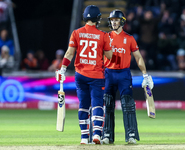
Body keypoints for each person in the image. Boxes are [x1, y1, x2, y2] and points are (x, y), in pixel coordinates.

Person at [55, 5, 112, 144]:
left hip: (80, 75)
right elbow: (110, 56)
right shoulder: (103, 35)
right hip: (96, 75)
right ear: (97, 18)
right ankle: (97, 134)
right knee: (98, 104)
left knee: (83, 106)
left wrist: (63, 68)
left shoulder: (76, 33)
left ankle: (84, 137)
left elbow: (69, 53)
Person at [102, 10, 154, 145]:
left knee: (128, 105)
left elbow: (138, 57)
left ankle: (131, 134)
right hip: (109, 73)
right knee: (107, 104)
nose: (113, 22)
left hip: (124, 74)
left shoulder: (129, 38)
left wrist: (145, 75)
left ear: (122, 21)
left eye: (116, 20)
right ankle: (107, 135)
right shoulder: (105, 37)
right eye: (112, 20)